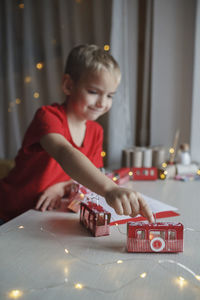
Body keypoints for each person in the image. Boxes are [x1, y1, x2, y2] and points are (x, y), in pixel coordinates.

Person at [0, 44, 154, 224]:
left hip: (41, 217)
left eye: (110, 95)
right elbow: (65, 153)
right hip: (8, 212)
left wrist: (62, 187)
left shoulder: (96, 131)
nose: (102, 103)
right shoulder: (48, 116)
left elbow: (89, 176)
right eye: (94, 92)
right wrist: (109, 189)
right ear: (68, 85)